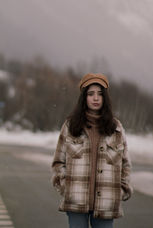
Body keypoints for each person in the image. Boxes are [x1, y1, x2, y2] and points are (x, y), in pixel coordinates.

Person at [52, 73, 133, 228]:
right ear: (84, 98)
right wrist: (65, 187)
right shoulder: (70, 126)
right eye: (91, 94)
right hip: (76, 203)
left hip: (107, 204)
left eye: (100, 94)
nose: (96, 98)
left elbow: (126, 165)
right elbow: (58, 162)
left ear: (105, 98)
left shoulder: (116, 128)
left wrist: (120, 191)